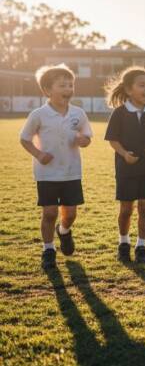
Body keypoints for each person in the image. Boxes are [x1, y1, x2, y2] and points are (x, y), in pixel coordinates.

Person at [20, 64, 92, 269]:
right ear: (47, 90)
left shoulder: (78, 113)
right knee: (50, 212)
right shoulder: (38, 114)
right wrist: (39, 154)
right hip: (47, 173)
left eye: (71, 84)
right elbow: (24, 139)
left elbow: (87, 138)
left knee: (70, 214)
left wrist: (82, 140)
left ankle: (64, 231)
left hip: (71, 172)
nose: (68, 89)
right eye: (62, 85)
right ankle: (48, 249)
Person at [104, 66, 145, 264]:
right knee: (126, 209)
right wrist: (124, 154)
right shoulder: (120, 113)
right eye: (142, 85)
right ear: (129, 89)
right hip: (126, 168)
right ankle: (124, 243)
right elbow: (112, 140)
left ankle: (141, 246)